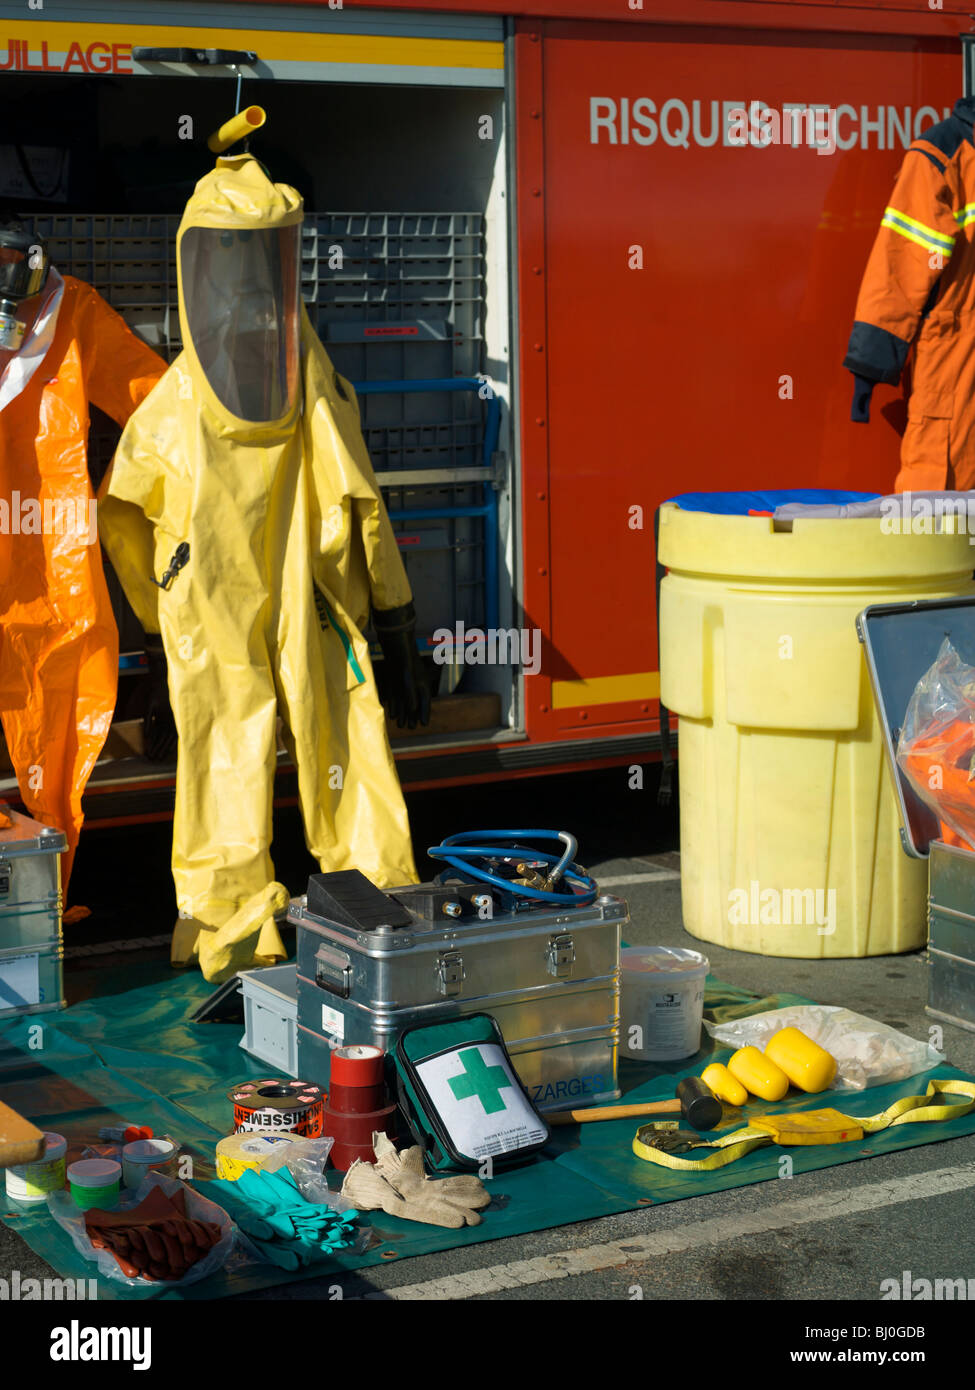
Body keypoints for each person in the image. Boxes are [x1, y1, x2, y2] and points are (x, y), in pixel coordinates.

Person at [98, 153, 430, 983]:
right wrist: (394, 617)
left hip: (212, 606)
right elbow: (365, 506)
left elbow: (121, 518)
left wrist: (153, 636)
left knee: (222, 747)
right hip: (313, 596)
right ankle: (374, 905)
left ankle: (233, 925)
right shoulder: (313, 382)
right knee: (342, 737)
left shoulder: (171, 408)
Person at [0, 219, 168, 897]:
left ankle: (41, 896)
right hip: (40, 547)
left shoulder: (72, 316)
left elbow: (153, 406)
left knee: (58, 710)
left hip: (47, 554)